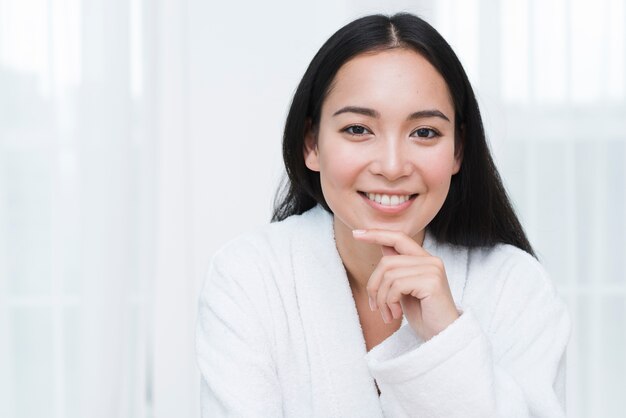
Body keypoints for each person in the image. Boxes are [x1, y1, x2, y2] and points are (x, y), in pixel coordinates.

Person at [196, 12, 571, 417]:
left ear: (458, 150)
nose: (392, 167)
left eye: (424, 132)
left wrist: (447, 337)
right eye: (358, 129)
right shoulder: (249, 278)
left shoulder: (515, 287)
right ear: (312, 145)